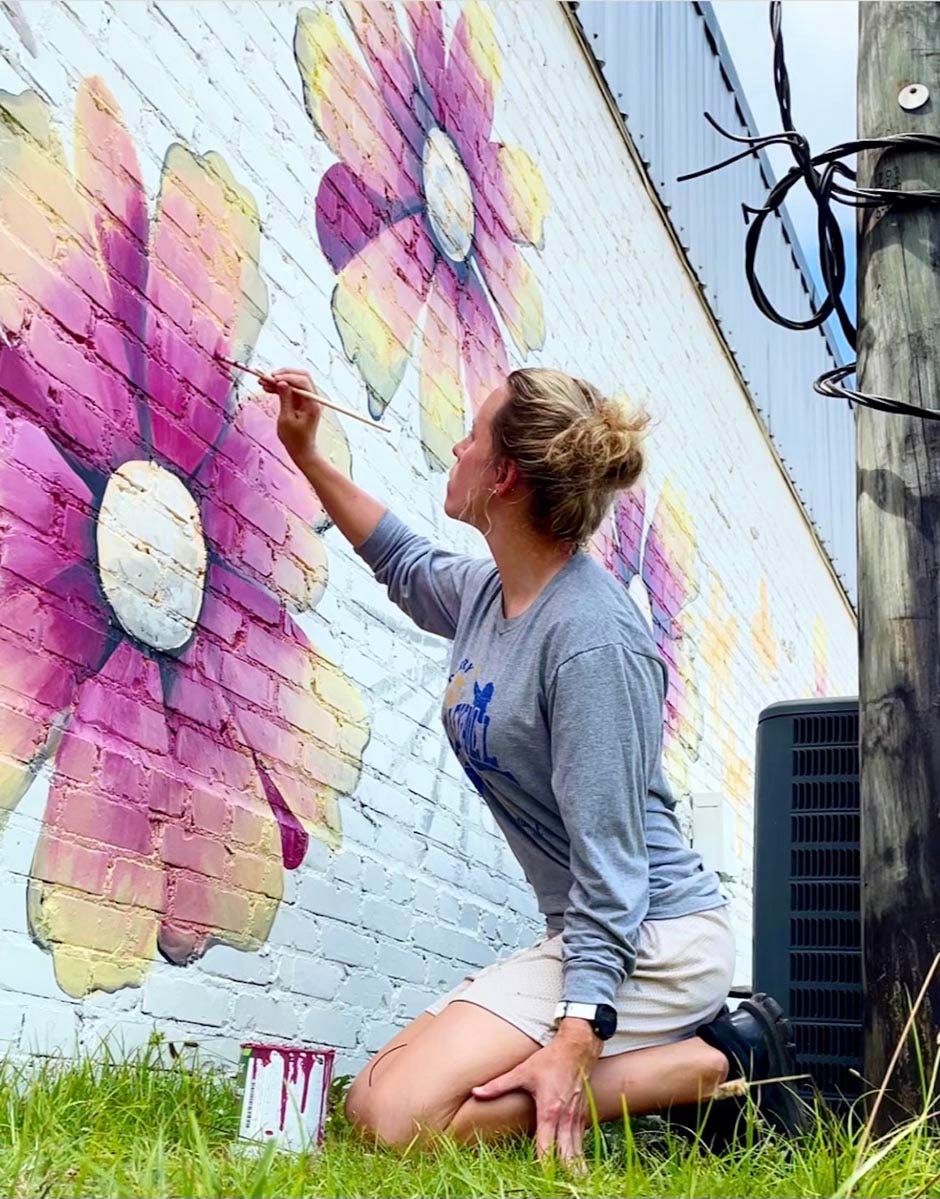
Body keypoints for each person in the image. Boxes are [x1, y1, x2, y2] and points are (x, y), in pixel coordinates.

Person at [265, 365, 803, 1161]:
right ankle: (677, 1059)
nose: (456, 446)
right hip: (586, 926)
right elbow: (404, 564)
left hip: (653, 936)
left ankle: (720, 1059)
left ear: (504, 476)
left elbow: (613, 862)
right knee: (370, 1096)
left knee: (403, 1124)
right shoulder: (491, 592)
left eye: (472, 437)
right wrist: (306, 452)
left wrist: (578, 1033)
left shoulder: (593, 643)